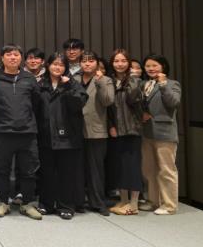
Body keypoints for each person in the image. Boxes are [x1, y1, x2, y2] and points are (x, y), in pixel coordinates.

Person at [0, 44, 43, 220]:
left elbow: (36, 103)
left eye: (16, 54)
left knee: (29, 170)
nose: (12, 57)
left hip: (27, 132)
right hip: (3, 131)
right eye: (8, 55)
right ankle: (3, 202)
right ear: (2, 58)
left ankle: (27, 203)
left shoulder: (29, 78)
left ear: (21, 58)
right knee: (2, 169)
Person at [36, 53, 88, 220]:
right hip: (45, 134)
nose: (57, 67)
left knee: (66, 173)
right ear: (48, 65)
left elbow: (79, 104)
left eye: (61, 65)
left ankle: (66, 206)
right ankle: (46, 204)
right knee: (47, 172)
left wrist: (68, 88)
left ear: (65, 68)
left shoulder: (73, 84)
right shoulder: (41, 84)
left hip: (68, 136)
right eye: (54, 64)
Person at [140, 53, 181, 215]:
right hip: (147, 132)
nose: (151, 68)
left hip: (165, 133)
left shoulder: (172, 83)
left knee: (166, 169)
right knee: (149, 169)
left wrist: (163, 84)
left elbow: (173, 102)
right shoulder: (145, 84)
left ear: (163, 66)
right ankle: (153, 201)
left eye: (154, 65)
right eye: (148, 66)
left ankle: (169, 205)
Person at [74, 51, 115, 216]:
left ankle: (97, 203)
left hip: (96, 131)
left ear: (97, 63)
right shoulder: (74, 79)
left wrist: (100, 82)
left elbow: (108, 101)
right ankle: (78, 202)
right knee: (77, 169)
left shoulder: (105, 80)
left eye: (91, 61)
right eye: (84, 61)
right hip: (75, 131)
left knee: (96, 170)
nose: (87, 64)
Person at [107, 49, 144, 216]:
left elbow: (133, 99)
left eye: (123, 61)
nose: (120, 64)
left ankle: (134, 204)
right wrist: (111, 126)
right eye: (116, 61)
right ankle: (123, 200)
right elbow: (108, 107)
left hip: (132, 130)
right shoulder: (110, 81)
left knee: (133, 167)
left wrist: (132, 80)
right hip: (116, 130)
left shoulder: (135, 80)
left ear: (129, 63)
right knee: (120, 166)